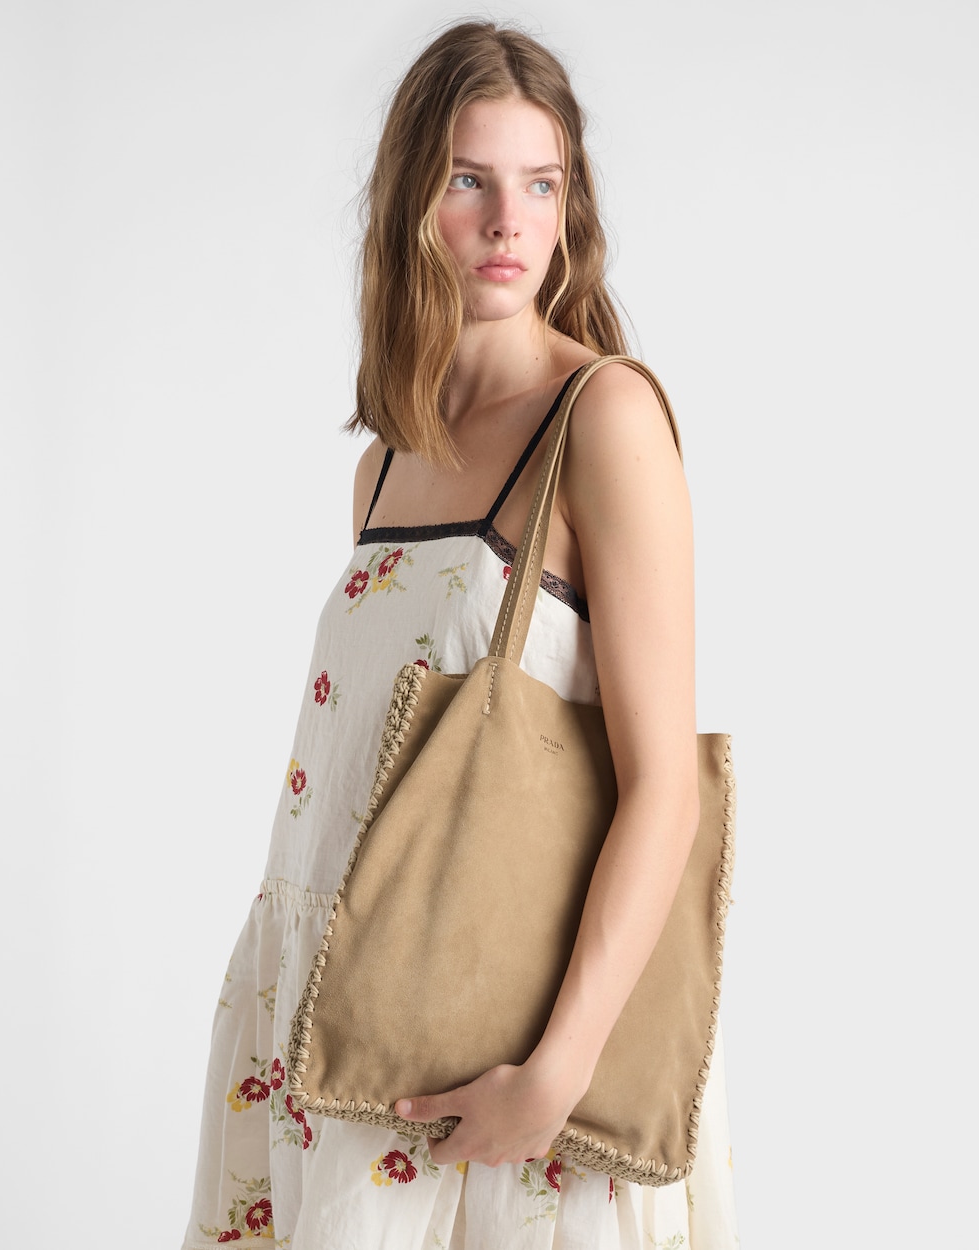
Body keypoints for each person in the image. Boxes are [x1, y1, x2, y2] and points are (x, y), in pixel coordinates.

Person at [182, 20, 737, 1250]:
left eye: (540, 183)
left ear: (571, 204)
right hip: (336, 1015)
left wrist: (560, 1068)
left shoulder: (604, 416)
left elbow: (662, 787)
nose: (506, 222)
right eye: (467, 180)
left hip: (504, 1038)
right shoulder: (386, 458)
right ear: (408, 202)